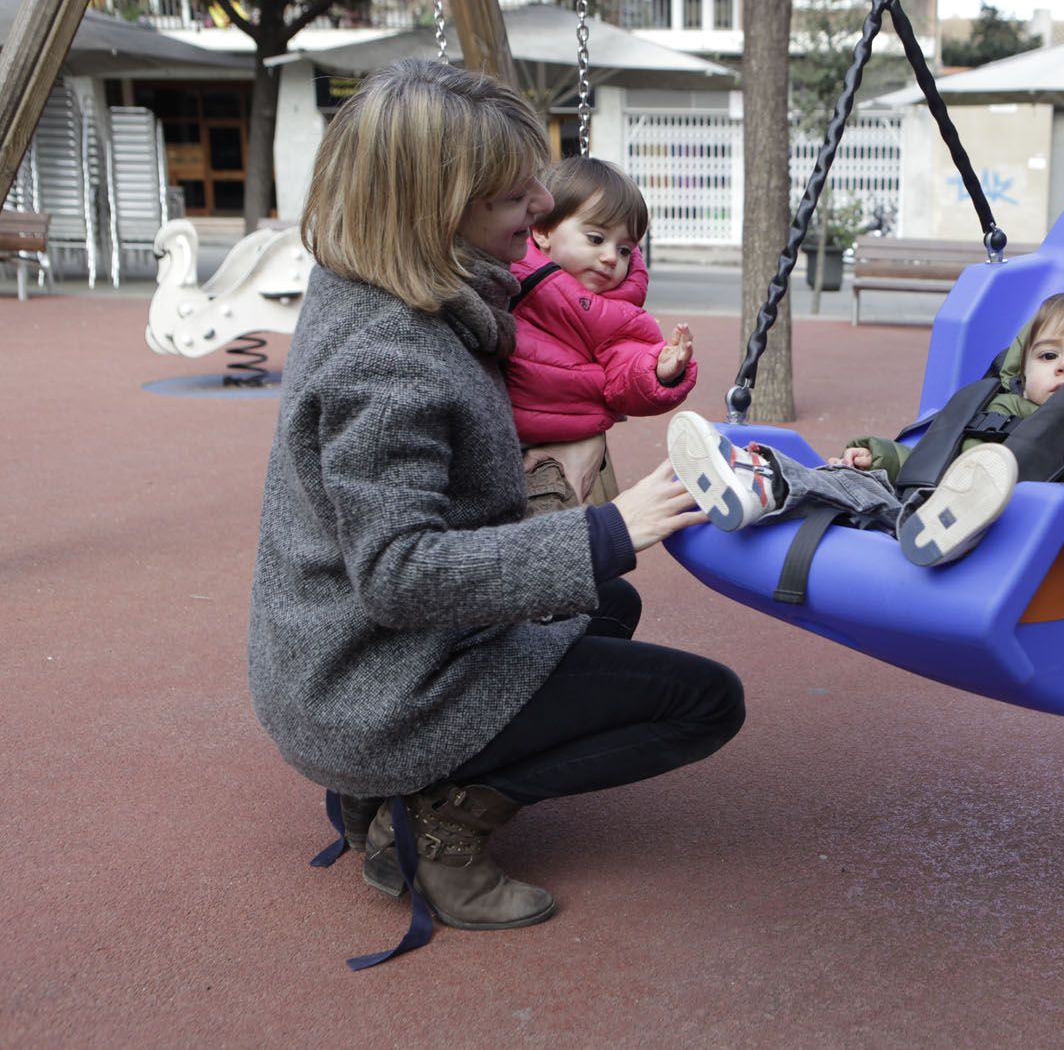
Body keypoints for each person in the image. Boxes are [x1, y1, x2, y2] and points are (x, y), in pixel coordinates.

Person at [247, 59, 743, 945]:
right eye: (517, 198)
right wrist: (609, 527)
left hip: (336, 652)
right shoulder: (390, 358)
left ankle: (379, 795)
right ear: (443, 208)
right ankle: (438, 820)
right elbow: (400, 573)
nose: (541, 211)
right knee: (705, 701)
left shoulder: (381, 284)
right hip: (367, 685)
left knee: (607, 604)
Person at [666, 290, 1064, 566]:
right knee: (848, 482)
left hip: (1028, 540)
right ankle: (759, 483)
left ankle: (950, 526)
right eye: (1049, 355)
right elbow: (925, 459)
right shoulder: (994, 404)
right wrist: (880, 456)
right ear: (1024, 365)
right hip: (920, 509)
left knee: (972, 508)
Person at [506, 156, 698, 514]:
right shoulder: (510, 271)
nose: (611, 257)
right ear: (542, 231)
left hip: (563, 446)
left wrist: (658, 370)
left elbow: (624, 371)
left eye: (625, 250)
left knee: (568, 527)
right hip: (501, 434)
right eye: (596, 239)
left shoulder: (614, 313)